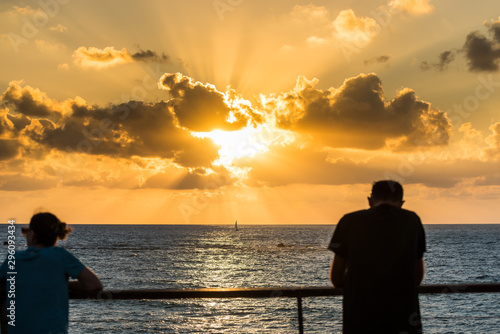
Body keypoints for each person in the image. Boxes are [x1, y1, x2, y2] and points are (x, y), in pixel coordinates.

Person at [328, 180, 426, 334]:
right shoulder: (412, 220)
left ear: (370, 200)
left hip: (360, 318)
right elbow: (417, 277)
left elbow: (336, 278)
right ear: (402, 202)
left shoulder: (348, 221)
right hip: (403, 318)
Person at [0, 212, 103, 334]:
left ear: (32, 234)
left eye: (26, 232)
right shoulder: (61, 256)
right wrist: (61, 285)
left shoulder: (14, 259)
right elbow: (94, 284)